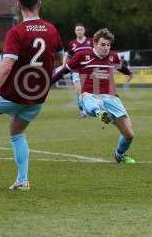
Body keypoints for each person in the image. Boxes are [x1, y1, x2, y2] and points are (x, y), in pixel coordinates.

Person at [0, 0, 64, 190]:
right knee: (17, 132)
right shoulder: (52, 30)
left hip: (14, 93)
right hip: (37, 95)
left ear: (18, 5)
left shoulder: (16, 32)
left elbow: (7, 65)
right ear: (39, 4)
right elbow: (59, 60)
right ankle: (22, 180)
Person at [52, 28, 135, 164]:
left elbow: (121, 67)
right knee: (88, 99)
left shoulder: (113, 56)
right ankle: (99, 113)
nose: (106, 48)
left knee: (129, 135)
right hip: (90, 95)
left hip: (111, 97)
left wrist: (129, 74)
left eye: (108, 45)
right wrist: (48, 84)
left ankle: (119, 155)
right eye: (103, 44)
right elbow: (63, 71)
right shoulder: (82, 56)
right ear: (95, 43)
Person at [65, 23, 93, 118]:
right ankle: (83, 111)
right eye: (77, 30)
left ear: (84, 31)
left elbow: (97, 53)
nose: (79, 31)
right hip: (76, 71)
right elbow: (68, 56)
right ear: (75, 32)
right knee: (79, 91)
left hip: (90, 71)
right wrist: (65, 66)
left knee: (90, 92)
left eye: (81, 29)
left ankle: (91, 109)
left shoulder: (91, 41)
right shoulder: (72, 44)